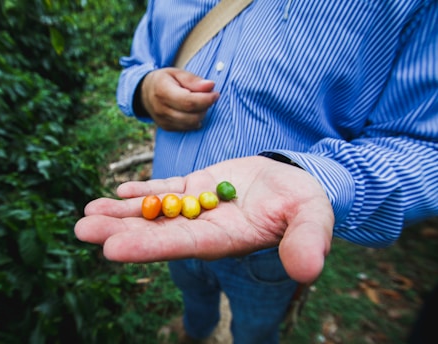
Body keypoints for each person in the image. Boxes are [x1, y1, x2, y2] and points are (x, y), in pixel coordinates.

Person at [76, 1, 438, 343]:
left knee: (257, 326)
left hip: (270, 242)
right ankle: (196, 329)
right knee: (192, 293)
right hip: (170, 235)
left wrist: (320, 179)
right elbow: (138, 61)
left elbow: (424, 145)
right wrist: (144, 89)